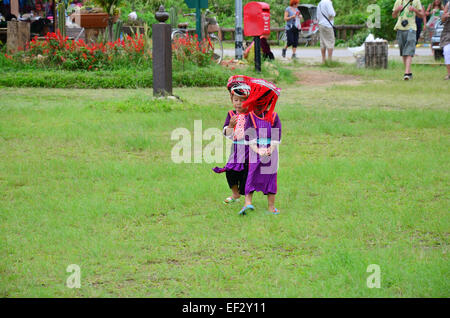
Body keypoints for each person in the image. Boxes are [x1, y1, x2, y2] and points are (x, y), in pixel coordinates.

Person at [238, 78, 282, 216]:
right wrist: (257, 149)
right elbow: (249, 137)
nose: (259, 107)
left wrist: (271, 149)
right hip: (255, 151)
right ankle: (247, 203)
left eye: (262, 104)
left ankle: (271, 206)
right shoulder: (250, 117)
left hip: (270, 152)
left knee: (270, 177)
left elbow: (276, 136)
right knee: (251, 176)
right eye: (256, 103)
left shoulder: (273, 117)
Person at [213, 76, 252, 204]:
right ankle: (235, 194)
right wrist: (230, 126)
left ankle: (247, 198)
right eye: (236, 100)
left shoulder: (252, 115)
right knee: (230, 171)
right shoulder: (231, 115)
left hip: (250, 149)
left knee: (246, 173)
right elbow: (227, 133)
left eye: (242, 100)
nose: (239, 103)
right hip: (236, 149)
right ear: (231, 99)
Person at [392, 0, 425, 80]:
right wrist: (397, 10)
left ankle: (406, 73)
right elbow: (393, 16)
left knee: (409, 50)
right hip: (400, 28)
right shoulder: (398, 1)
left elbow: (421, 15)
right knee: (403, 52)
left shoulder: (416, 1)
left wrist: (415, 10)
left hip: (411, 28)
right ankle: (408, 73)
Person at [440, 2, 450, 79]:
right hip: (447, 33)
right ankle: (449, 74)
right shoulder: (448, 4)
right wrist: (445, 15)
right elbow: (442, 19)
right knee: (447, 51)